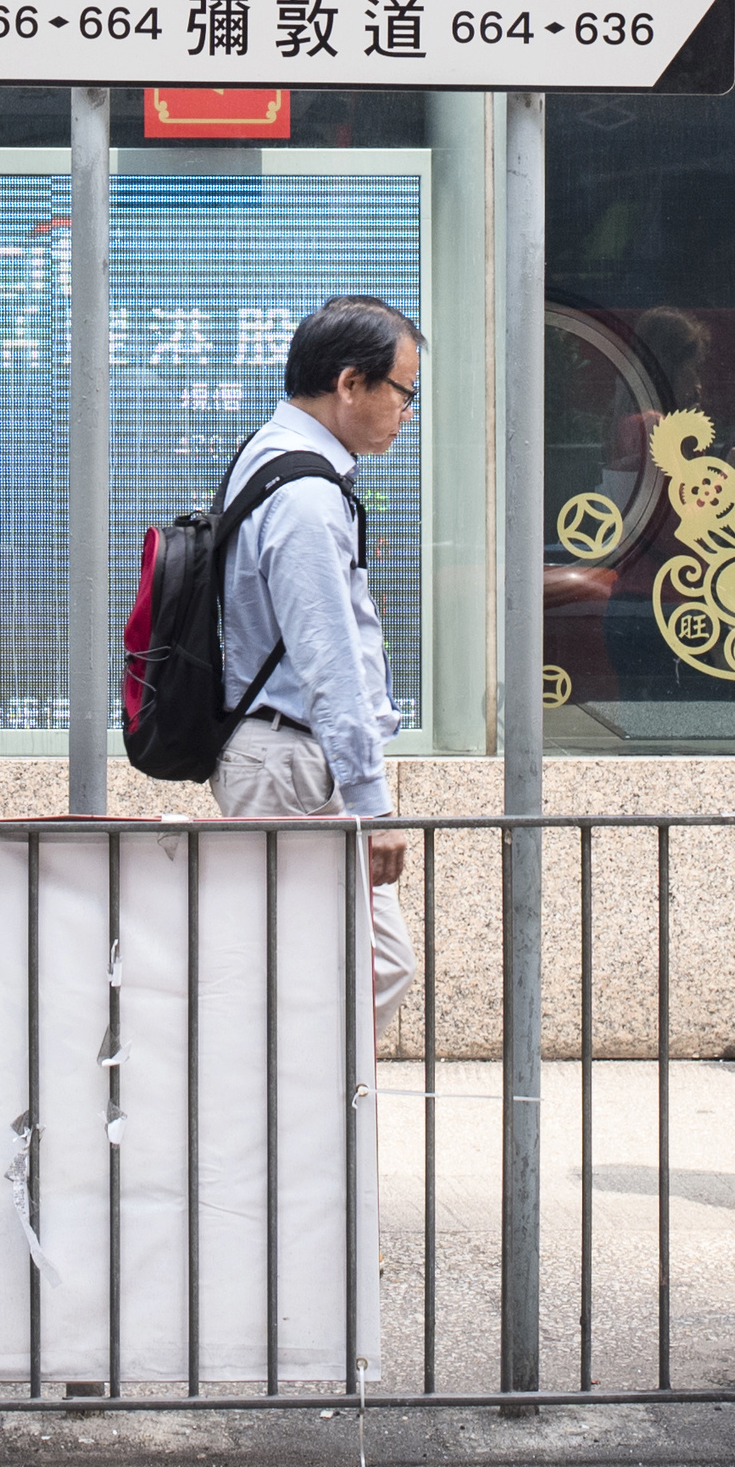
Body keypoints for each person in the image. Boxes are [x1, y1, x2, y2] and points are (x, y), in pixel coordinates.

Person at [211, 294, 422, 1029]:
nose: (406, 412)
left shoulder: (274, 457)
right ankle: (279, 1100)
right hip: (291, 765)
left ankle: (296, 1098)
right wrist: (372, 802)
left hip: (285, 758)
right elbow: (329, 661)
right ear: (350, 383)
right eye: (403, 392)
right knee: (338, 972)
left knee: (325, 972)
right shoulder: (304, 496)